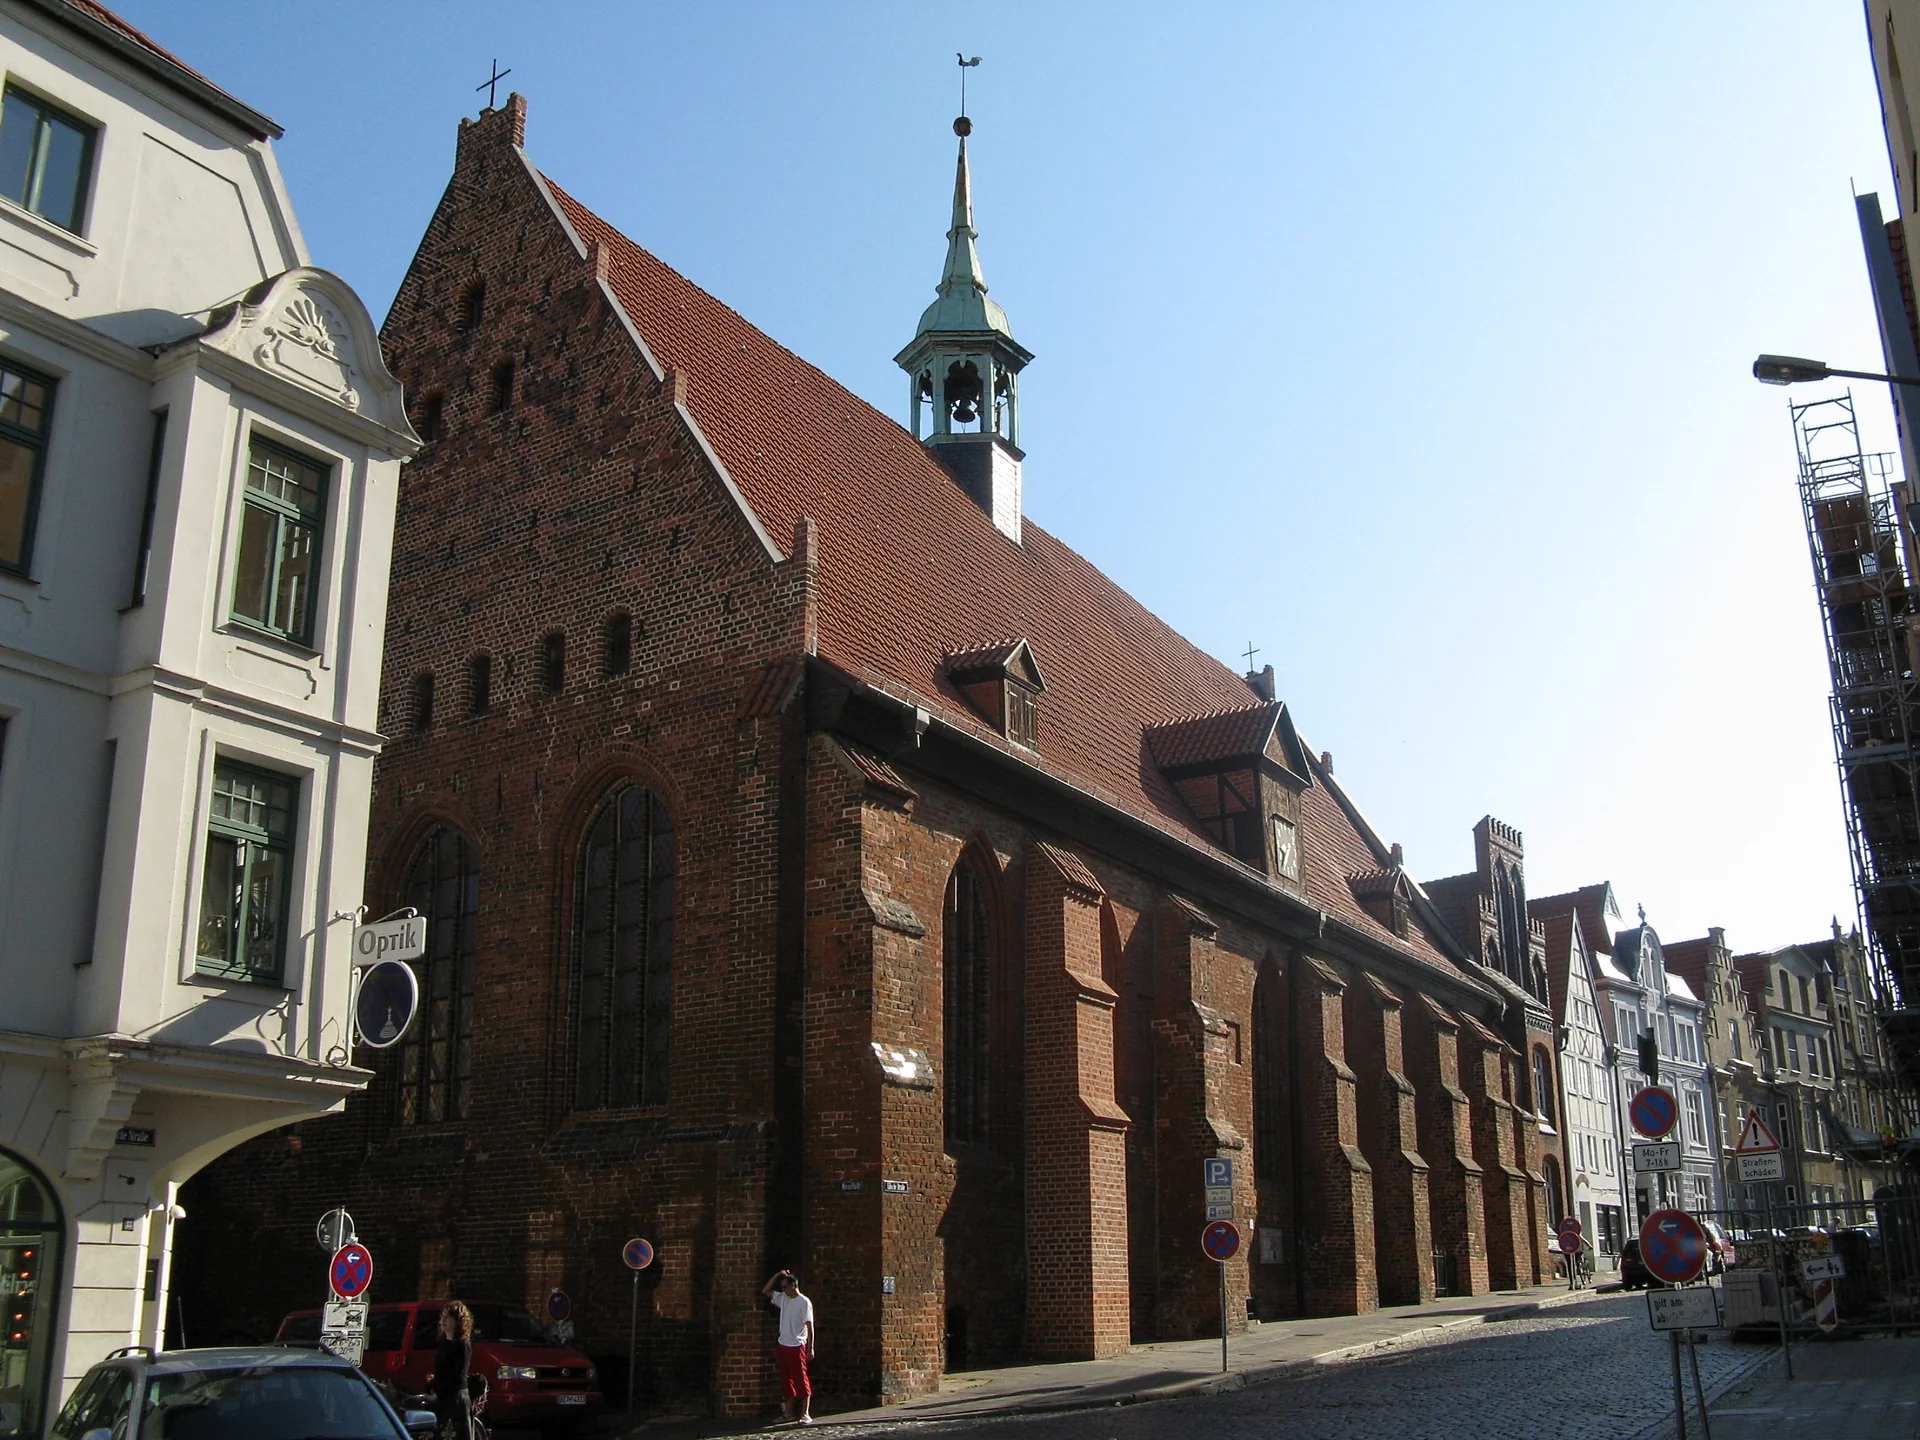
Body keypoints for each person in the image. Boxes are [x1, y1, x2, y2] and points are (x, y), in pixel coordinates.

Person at [760, 1268, 815, 1424]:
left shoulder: (804, 1302)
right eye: (782, 1287)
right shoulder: (783, 1298)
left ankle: (805, 1413)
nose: (783, 1290)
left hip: (797, 1345)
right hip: (783, 1344)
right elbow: (766, 1290)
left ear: (793, 1285)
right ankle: (788, 1413)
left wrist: (810, 1347)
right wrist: (778, 1274)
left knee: (801, 1379)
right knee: (786, 1380)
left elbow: (810, 1326)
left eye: (785, 1287)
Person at [425, 1301, 473, 1439]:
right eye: (442, 1317)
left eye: (448, 1317)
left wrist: (438, 1394)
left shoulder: (462, 1345)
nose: (443, 1321)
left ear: (458, 1322)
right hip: (441, 1399)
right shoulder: (443, 1343)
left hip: (455, 1399)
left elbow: (456, 1376)